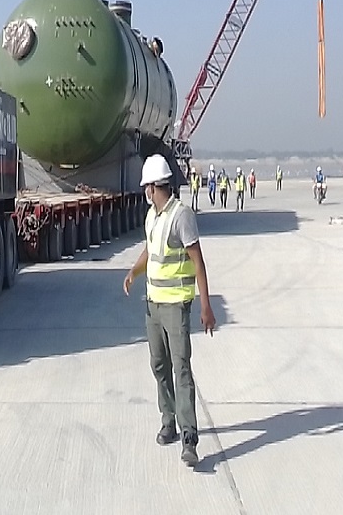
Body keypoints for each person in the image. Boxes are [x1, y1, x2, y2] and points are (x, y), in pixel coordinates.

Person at [123, 154, 215, 468]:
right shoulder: (152, 216)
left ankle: (189, 438)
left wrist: (206, 305)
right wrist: (134, 272)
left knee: (182, 369)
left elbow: (198, 261)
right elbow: (151, 249)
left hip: (176, 306)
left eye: (146, 186)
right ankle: (169, 421)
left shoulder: (181, 216)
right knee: (159, 365)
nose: (145, 191)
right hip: (153, 305)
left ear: (153, 186)